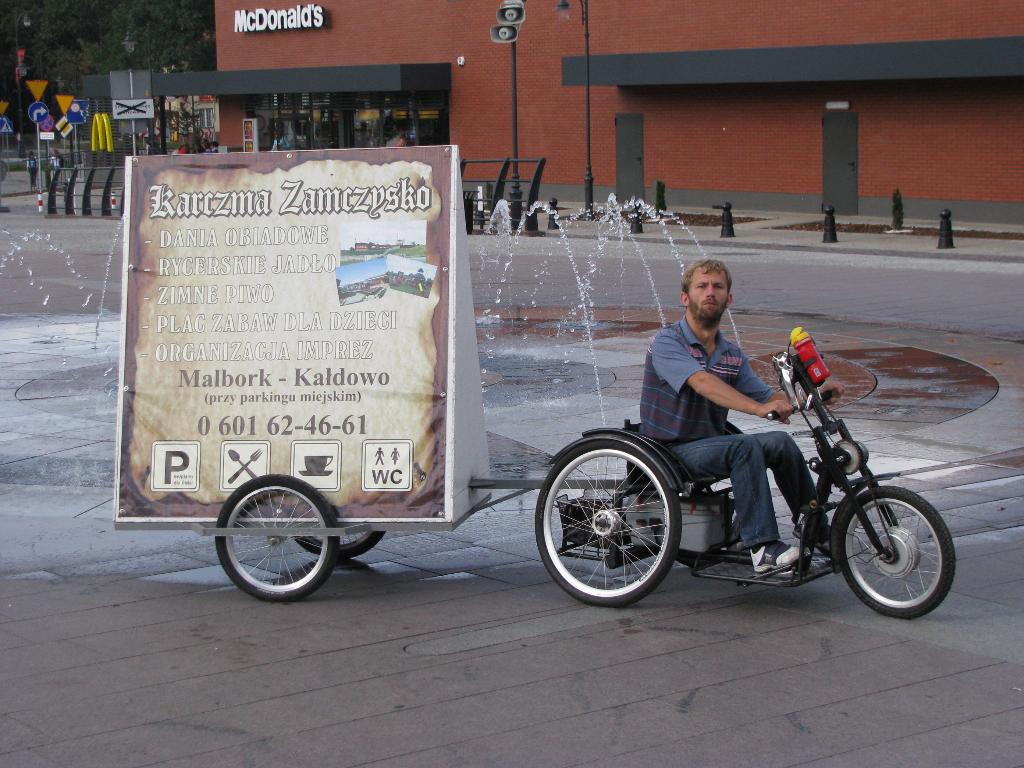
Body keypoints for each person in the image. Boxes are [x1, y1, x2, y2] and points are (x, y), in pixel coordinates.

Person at [640, 259, 844, 573]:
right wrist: (759, 410)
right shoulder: (667, 342)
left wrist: (810, 399)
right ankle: (762, 548)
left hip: (711, 444)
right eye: (702, 286)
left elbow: (766, 396)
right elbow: (702, 382)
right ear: (685, 298)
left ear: (728, 299)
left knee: (780, 442)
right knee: (744, 446)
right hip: (670, 451)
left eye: (718, 287)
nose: (710, 292)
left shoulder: (731, 354)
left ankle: (817, 532)